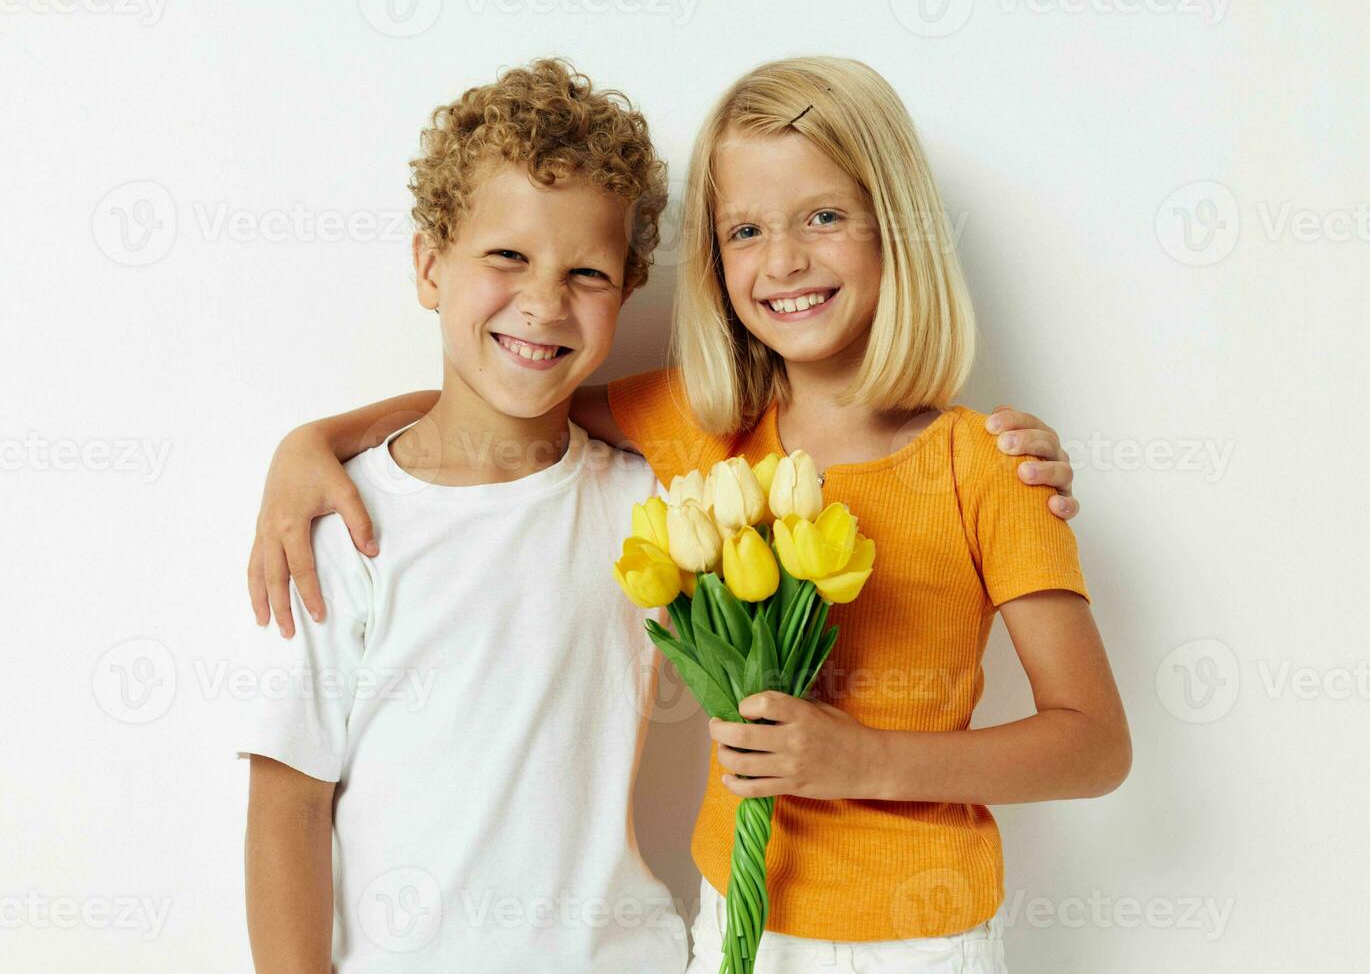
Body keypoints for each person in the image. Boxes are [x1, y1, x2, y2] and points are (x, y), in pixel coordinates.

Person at [247, 57, 1124, 974]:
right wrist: (314, 441)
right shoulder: (708, 435)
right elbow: (510, 401)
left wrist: (860, 762)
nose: (784, 259)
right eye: (746, 229)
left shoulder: (983, 462)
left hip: (924, 937)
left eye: (824, 216)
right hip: (733, 933)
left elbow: (1095, 744)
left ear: (895, 230)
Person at [237, 59, 687, 973]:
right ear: (429, 264)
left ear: (628, 293)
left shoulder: (656, 504)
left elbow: (814, 416)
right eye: (508, 256)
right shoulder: (344, 522)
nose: (545, 301)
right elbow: (288, 800)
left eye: (588, 272)